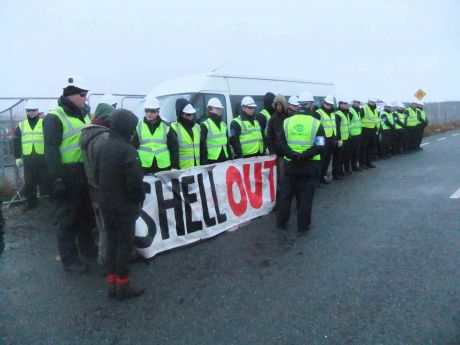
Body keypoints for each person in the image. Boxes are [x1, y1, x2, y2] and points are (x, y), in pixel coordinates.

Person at [43, 76, 96, 273]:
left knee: (85, 214)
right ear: (71, 95)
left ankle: (88, 248)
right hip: (67, 174)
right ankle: (70, 260)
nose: (85, 97)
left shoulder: (82, 114)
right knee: (67, 218)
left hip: (83, 172)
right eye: (82, 94)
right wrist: (57, 178)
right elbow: (50, 150)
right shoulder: (55, 117)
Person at [97, 109, 145, 301]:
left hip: (106, 203)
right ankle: (123, 287)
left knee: (112, 244)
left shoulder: (104, 147)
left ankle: (112, 284)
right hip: (124, 206)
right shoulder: (127, 150)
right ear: (127, 128)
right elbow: (134, 182)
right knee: (124, 247)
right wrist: (138, 197)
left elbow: (95, 175)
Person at [276, 93, 326, 232]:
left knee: (286, 196)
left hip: (291, 166)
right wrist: (304, 155)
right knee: (305, 198)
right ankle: (303, 226)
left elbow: (279, 144)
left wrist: (292, 154)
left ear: (299, 105)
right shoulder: (316, 123)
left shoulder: (287, 122)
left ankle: (281, 222)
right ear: (310, 105)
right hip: (309, 167)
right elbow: (320, 146)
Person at [79, 101, 115, 268]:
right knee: (108, 228)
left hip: (94, 188)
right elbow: (107, 170)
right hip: (104, 190)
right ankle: (108, 261)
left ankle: (104, 258)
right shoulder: (103, 139)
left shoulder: (89, 135)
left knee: (101, 226)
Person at [13, 100, 50, 210]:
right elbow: (17, 142)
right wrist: (18, 157)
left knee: (46, 180)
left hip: (42, 157)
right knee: (30, 182)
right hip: (28, 158)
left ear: (38, 111)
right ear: (26, 112)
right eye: (29, 110)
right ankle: (31, 203)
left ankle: (50, 201)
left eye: (34, 110)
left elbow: (49, 140)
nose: (32, 112)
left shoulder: (44, 123)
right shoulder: (21, 125)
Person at [131, 95, 179, 174]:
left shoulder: (166, 127)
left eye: (152, 111)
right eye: (147, 110)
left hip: (163, 166)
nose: (149, 113)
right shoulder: (138, 127)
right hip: (144, 166)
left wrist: (174, 166)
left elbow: (174, 148)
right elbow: (132, 148)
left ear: (158, 112)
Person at [266, 94, 289, 208]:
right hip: (279, 154)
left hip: (289, 152)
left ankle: (287, 198)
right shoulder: (273, 119)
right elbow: (269, 137)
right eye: (277, 104)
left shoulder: (289, 117)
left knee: (288, 177)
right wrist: (272, 151)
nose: (278, 106)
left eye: (280, 104)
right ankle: (279, 202)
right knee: (280, 178)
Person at [199, 97, 232, 165]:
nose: (219, 110)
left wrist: (230, 157)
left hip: (225, 158)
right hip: (211, 160)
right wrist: (204, 163)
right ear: (210, 109)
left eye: (220, 109)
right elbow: (202, 147)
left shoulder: (223, 124)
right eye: (217, 108)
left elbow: (227, 144)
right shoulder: (204, 125)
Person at [170, 98, 201, 169]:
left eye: (192, 114)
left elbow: (202, 149)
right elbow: (173, 153)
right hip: (183, 170)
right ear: (180, 114)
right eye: (188, 114)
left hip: (198, 168)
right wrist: (175, 170)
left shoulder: (197, 127)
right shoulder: (174, 128)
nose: (191, 117)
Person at [316, 95, 337, 184]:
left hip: (331, 139)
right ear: (324, 103)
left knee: (327, 160)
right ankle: (317, 179)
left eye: (330, 104)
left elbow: (334, 127)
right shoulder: (318, 113)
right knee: (321, 160)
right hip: (322, 140)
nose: (329, 106)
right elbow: (316, 128)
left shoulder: (332, 113)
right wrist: (318, 143)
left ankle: (323, 176)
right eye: (327, 104)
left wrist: (336, 138)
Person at [360, 98, 380, 168]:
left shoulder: (375, 110)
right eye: (371, 102)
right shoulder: (364, 108)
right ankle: (362, 164)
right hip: (365, 130)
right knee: (364, 148)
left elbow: (376, 119)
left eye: (374, 102)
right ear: (368, 102)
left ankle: (368, 162)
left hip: (373, 130)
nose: (373, 103)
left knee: (371, 147)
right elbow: (359, 119)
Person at [333, 100, 351, 179]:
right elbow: (337, 128)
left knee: (345, 156)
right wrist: (339, 139)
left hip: (346, 138)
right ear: (340, 104)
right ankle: (336, 173)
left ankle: (342, 171)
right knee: (338, 157)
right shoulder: (338, 114)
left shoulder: (346, 113)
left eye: (347, 103)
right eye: (345, 103)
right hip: (340, 140)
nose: (347, 105)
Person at [348, 99, 362, 171]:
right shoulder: (351, 111)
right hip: (353, 135)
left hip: (358, 134)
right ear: (353, 103)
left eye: (359, 102)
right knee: (352, 152)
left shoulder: (358, 111)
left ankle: (355, 166)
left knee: (357, 152)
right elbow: (348, 123)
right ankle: (351, 167)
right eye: (357, 102)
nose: (359, 104)